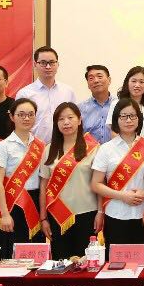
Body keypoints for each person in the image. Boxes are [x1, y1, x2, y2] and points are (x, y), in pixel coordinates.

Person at [39, 102, 101, 259]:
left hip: (87, 213)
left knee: (87, 262)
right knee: (61, 262)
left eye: (70, 117)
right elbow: (44, 186)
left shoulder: (93, 148)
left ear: (79, 120)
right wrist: (43, 218)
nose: (66, 122)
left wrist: (100, 212)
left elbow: (100, 184)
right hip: (57, 214)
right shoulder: (49, 149)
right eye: (61, 119)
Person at [91, 98, 144, 252]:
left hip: (142, 215)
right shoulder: (106, 149)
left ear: (139, 119)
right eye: (123, 116)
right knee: (115, 261)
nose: (128, 120)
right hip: (115, 213)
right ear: (116, 120)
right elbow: (96, 184)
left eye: (133, 116)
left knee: (139, 261)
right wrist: (122, 196)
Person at [0, 98, 46, 258]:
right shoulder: (3, 146)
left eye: (30, 114)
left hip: (35, 202)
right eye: (21, 114)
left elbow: (44, 180)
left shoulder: (41, 145)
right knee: (14, 254)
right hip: (12, 203)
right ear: (12, 117)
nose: (26, 118)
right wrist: (4, 214)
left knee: (36, 252)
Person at [16, 46, 77, 144]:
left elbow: (74, 121)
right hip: (33, 148)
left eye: (52, 62)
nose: (48, 67)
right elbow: (19, 125)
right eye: (43, 63)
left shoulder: (68, 91)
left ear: (57, 64)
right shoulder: (25, 94)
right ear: (35, 65)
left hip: (63, 147)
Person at [107, 66, 144, 143]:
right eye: (133, 81)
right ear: (127, 83)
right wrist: (129, 147)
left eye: (141, 82)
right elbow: (113, 132)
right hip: (120, 149)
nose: (137, 85)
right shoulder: (116, 104)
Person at [78, 65, 114, 144]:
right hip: (90, 151)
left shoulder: (119, 105)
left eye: (99, 76)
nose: (96, 81)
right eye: (91, 78)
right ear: (88, 84)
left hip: (116, 151)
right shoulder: (80, 109)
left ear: (109, 80)